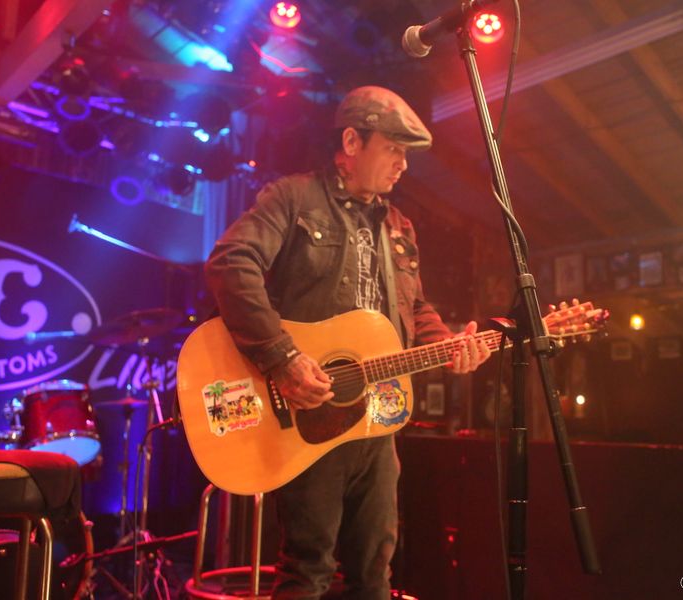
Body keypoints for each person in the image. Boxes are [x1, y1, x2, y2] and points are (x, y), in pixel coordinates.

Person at [205, 85, 491, 599]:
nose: (403, 164)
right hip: (308, 414)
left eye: (407, 154)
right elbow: (232, 261)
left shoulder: (399, 226)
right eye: (394, 149)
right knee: (308, 570)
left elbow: (415, 308)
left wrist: (449, 345)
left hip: (376, 418)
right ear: (353, 142)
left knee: (375, 572)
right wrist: (283, 357)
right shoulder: (294, 197)